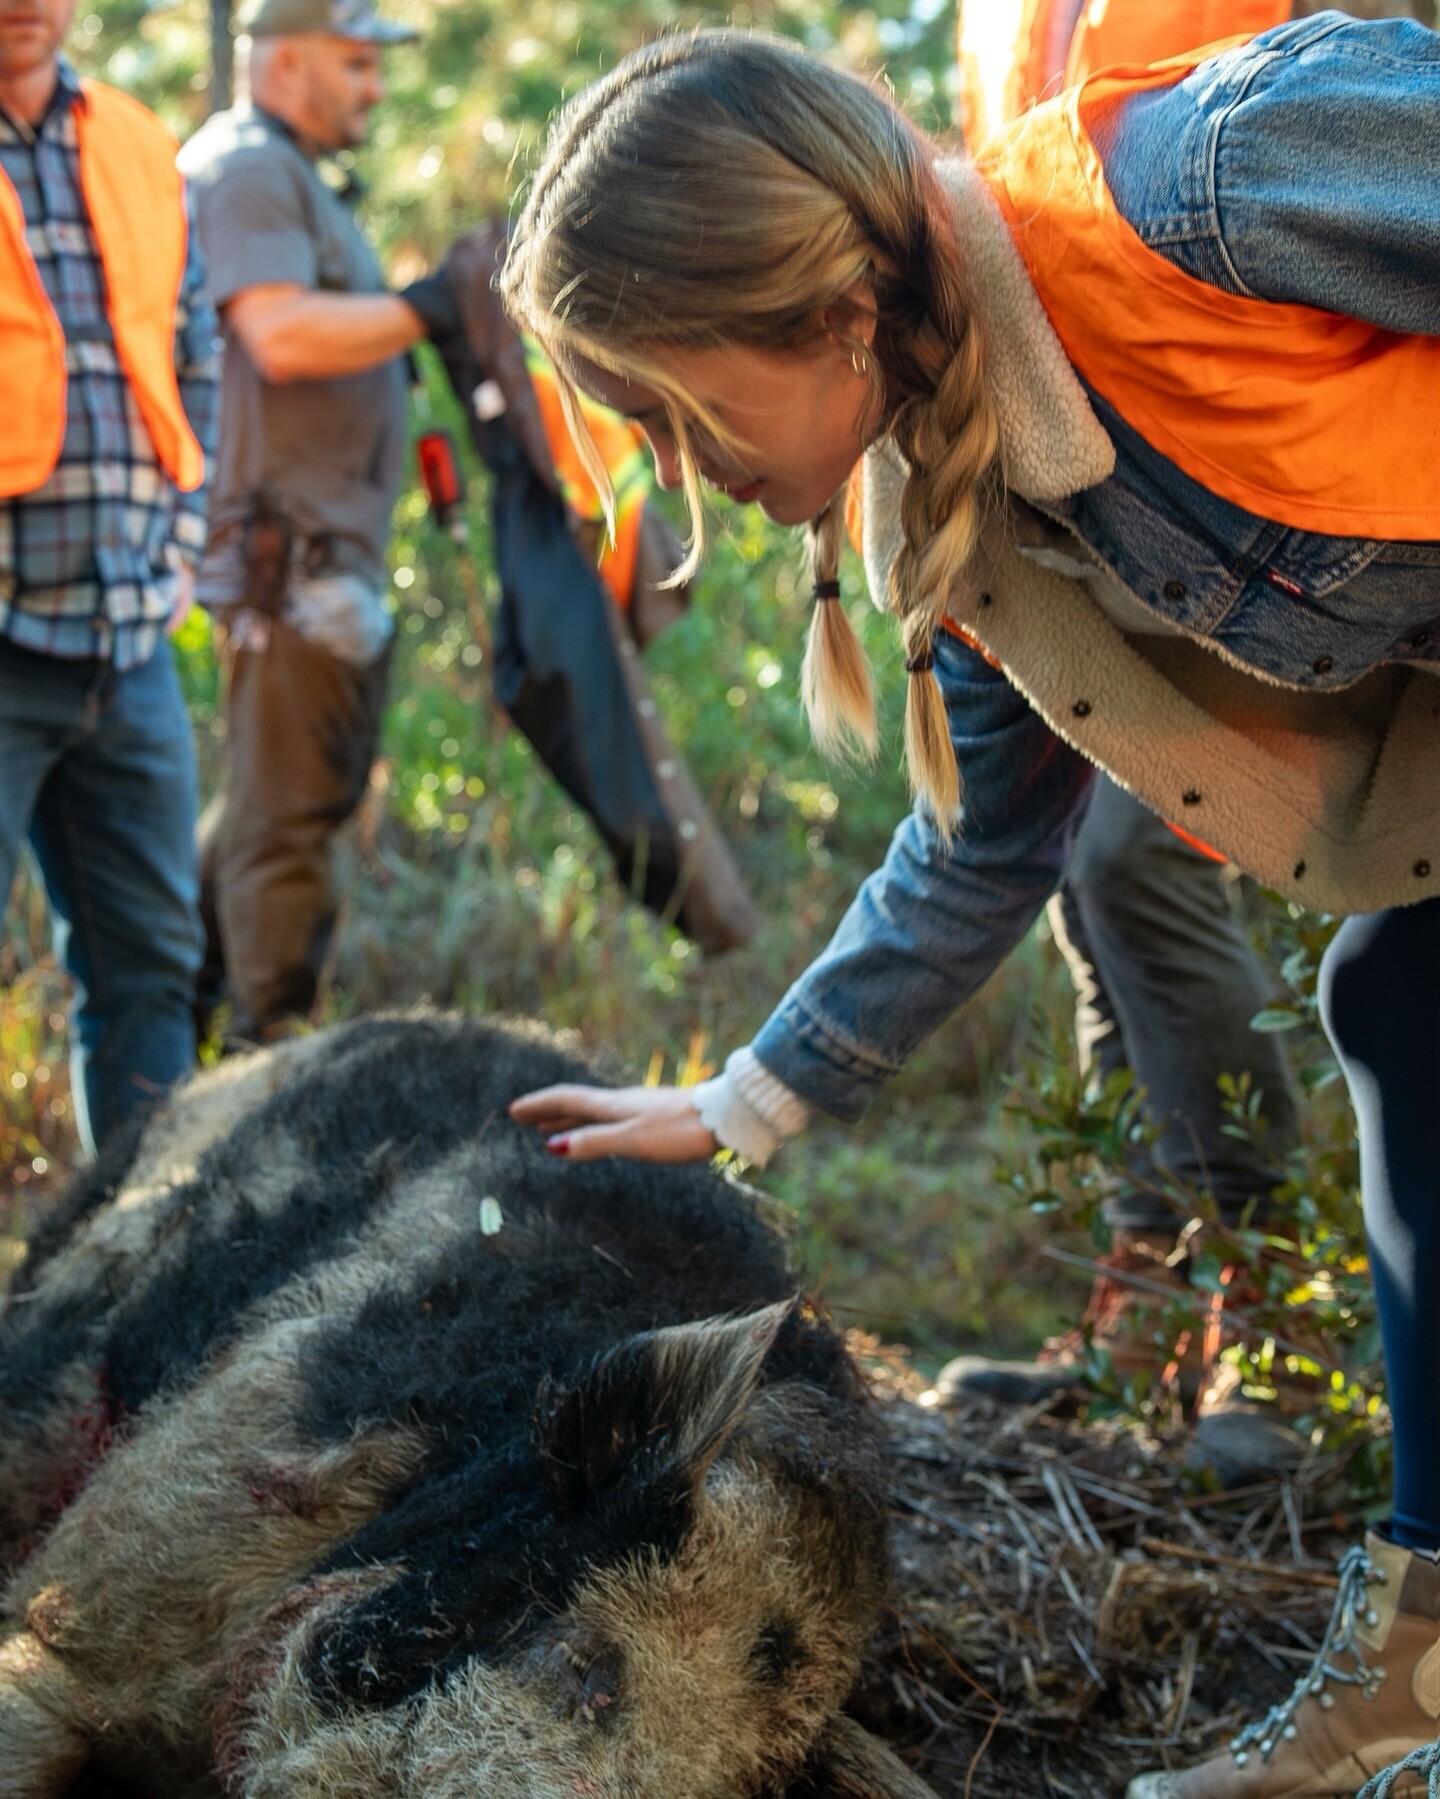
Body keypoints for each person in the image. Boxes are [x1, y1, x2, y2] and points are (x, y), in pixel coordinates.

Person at [500, 18, 1440, 1798]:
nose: (680, 474)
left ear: (836, 315)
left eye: (675, 410)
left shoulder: (1215, 184)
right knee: (1405, 999)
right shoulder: (964, 490)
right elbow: (984, 846)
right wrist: (739, 1098)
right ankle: (1422, 1667)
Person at [179, 0, 448, 1044]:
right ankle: (266, 1060)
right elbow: (281, 333)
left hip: (314, 559)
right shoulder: (250, 168)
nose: (375, 86)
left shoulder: (287, 169)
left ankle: (185, 1021)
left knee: (274, 803)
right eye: (356, 63)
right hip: (286, 564)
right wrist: (428, 307)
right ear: (286, 62)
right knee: (284, 824)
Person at [0, 0, 217, 1154]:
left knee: (148, 974)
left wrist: (180, 541)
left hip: (128, 642)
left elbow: (194, 350)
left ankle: (135, 1243)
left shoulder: (135, 143)